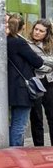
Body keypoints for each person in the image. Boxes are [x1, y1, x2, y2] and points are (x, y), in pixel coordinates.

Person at [5, 14, 43, 148]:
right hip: (21, 89)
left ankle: (11, 151)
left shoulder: (5, 41)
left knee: (13, 124)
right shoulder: (19, 42)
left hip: (9, 88)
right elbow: (38, 62)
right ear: (23, 27)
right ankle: (15, 153)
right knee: (19, 124)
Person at [25, 19, 53, 147]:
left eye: (41, 31)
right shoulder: (27, 44)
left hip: (50, 82)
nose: (37, 32)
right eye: (36, 29)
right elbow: (32, 62)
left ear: (47, 33)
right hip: (35, 82)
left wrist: (40, 61)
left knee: (51, 115)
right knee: (36, 118)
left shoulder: (51, 44)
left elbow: (39, 61)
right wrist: (45, 63)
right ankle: (39, 147)